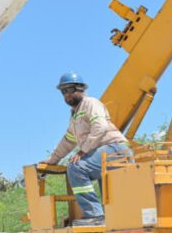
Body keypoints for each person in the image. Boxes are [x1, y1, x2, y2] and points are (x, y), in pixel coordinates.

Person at [41, 72, 132, 227]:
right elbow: (68, 141)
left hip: (115, 149)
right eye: (63, 92)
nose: (66, 95)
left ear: (80, 88)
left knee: (76, 167)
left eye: (69, 89)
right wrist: (52, 160)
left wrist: (83, 151)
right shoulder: (75, 115)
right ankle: (111, 218)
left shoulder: (91, 103)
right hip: (106, 152)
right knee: (108, 193)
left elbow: (100, 127)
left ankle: (94, 214)